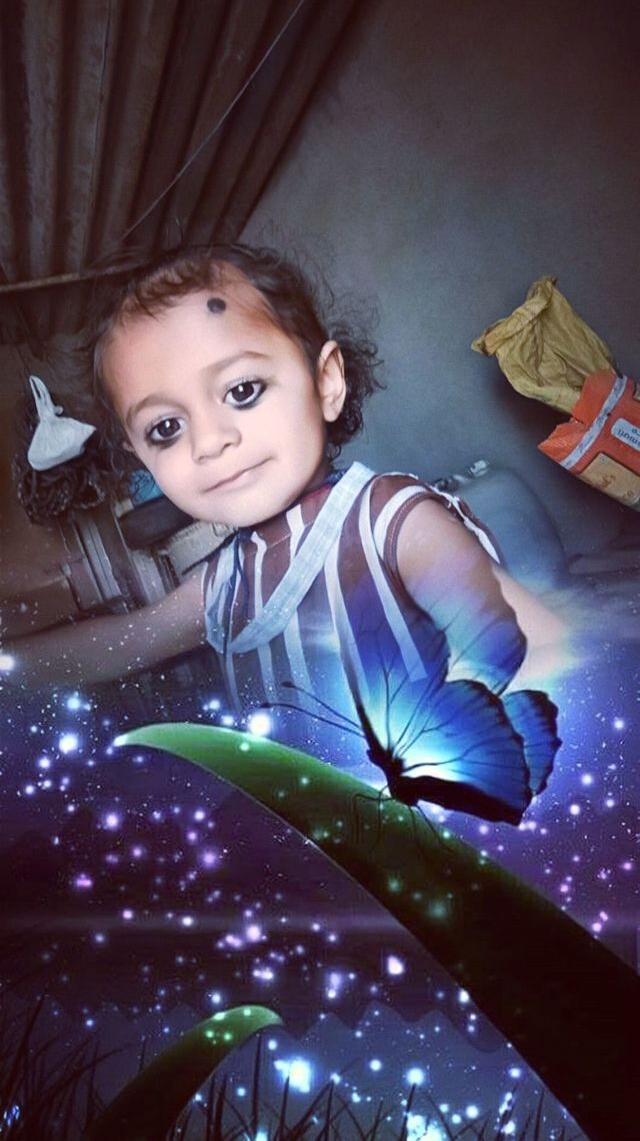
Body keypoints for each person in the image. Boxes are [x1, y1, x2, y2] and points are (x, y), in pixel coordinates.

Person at [5, 244, 569, 822]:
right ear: (140, 457)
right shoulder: (225, 583)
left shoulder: (390, 521)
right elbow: (127, 641)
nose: (210, 441)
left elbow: (546, 661)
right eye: (167, 427)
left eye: (242, 391)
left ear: (326, 382)